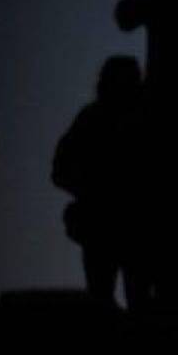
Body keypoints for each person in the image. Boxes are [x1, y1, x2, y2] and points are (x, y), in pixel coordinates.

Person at [52, 56, 149, 310]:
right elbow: (60, 170)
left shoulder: (145, 120)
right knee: (102, 298)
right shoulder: (92, 119)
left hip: (135, 222)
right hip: (103, 222)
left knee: (136, 300)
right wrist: (93, 190)